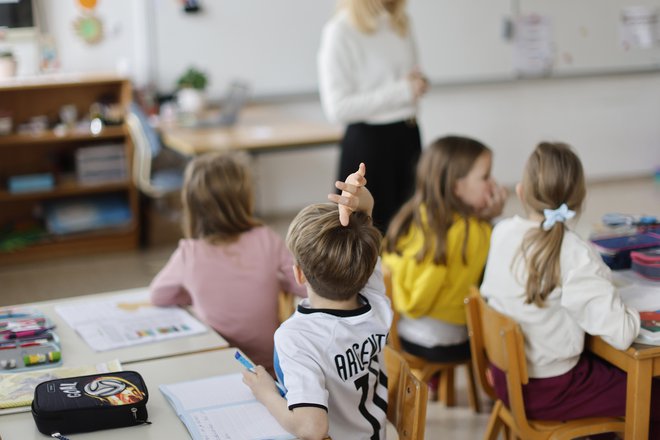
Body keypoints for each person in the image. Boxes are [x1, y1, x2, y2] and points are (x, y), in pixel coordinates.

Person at [480, 142, 660, 438]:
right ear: (579, 199)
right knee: (652, 394)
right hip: (550, 392)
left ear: (522, 191)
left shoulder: (501, 233)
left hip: (505, 381)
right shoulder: (574, 253)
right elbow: (623, 331)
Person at [242, 164, 393, 440]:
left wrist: (266, 394)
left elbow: (312, 428)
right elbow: (365, 225)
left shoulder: (297, 338)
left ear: (298, 273)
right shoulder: (374, 301)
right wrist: (359, 200)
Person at [149, 152, 306, 373]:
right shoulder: (265, 238)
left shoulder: (189, 253)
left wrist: (194, 292)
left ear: (191, 207)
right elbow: (307, 287)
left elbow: (158, 295)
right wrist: (276, 283)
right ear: (246, 199)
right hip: (270, 369)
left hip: (219, 368)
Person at [382, 136, 506, 366]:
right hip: (445, 341)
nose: (493, 184)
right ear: (457, 187)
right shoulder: (473, 232)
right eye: (485, 177)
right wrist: (491, 218)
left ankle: (437, 382)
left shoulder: (417, 213)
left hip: (402, 330)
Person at [318, 0, 428, 233]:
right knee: (367, 234)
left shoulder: (399, 22)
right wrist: (403, 91)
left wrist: (416, 85)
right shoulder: (340, 30)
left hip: (407, 135)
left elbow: (404, 79)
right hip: (370, 146)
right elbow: (337, 107)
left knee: (409, 230)